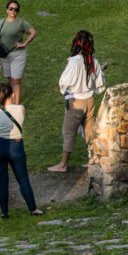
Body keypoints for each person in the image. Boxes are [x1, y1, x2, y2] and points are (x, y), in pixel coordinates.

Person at [49, 30, 106, 173]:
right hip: (89, 100)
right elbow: (99, 82)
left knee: (68, 133)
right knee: (89, 132)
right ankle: (93, 160)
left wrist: (65, 90)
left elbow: (65, 81)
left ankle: (63, 164)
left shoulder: (74, 61)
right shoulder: (93, 61)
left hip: (76, 102)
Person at [0, 83, 42, 216]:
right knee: (22, 178)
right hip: (16, 146)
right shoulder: (21, 108)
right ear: (12, 94)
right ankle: (33, 208)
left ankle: (4, 212)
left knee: (2, 180)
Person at [0, 0, 36, 103]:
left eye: (16, 9)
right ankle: (12, 99)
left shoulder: (21, 23)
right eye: (11, 9)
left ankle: (16, 105)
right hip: (4, 55)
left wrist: (24, 43)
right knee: (9, 78)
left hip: (17, 55)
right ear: (7, 10)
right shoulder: (1, 21)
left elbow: (33, 32)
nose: (13, 11)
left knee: (16, 80)